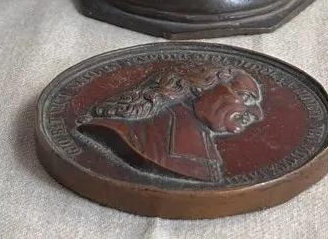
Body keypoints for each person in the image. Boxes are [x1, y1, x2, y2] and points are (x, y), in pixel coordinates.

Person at [78, 61, 264, 183]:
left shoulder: (202, 141)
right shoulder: (123, 132)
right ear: (201, 87)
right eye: (245, 96)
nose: (258, 114)